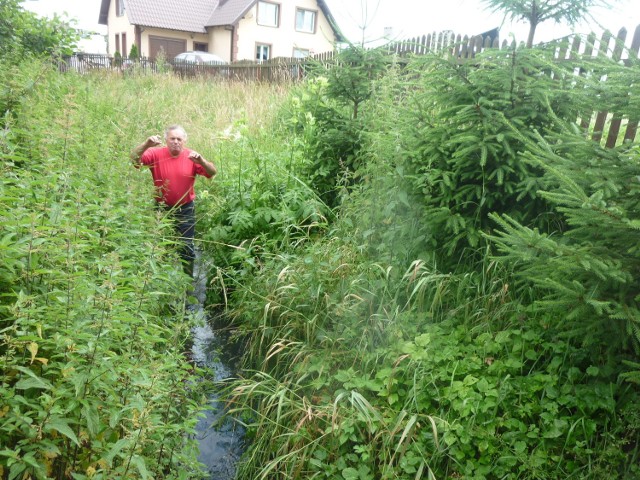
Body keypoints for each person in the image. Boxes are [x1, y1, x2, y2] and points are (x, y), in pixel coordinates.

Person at [130, 125, 217, 277]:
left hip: (186, 209)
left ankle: (188, 284)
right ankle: (161, 282)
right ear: (166, 140)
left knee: (187, 248)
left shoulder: (192, 156)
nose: (175, 142)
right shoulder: (155, 153)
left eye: (179, 139)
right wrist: (146, 144)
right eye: (172, 138)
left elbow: (212, 172)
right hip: (161, 209)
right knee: (161, 246)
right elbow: (134, 160)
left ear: (184, 140)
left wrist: (202, 161)